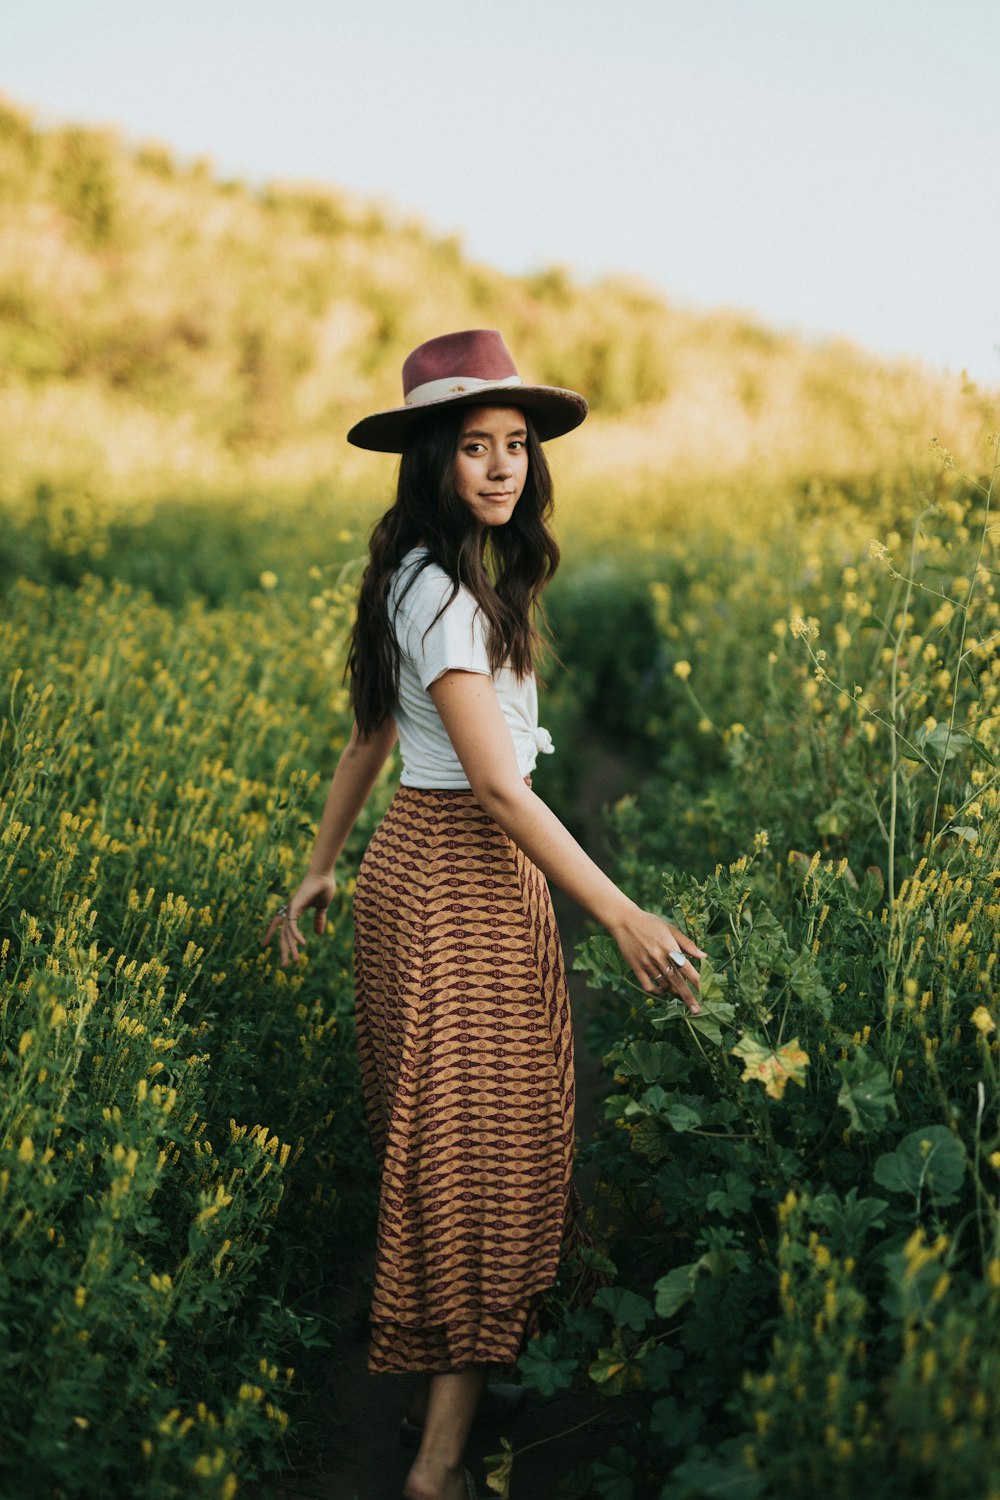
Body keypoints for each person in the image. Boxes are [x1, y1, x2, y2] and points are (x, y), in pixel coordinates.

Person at [262, 330, 705, 1500]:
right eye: (475, 447)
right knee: (483, 1157)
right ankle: (438, 1465)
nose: (502, 468)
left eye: (515, 447)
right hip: (460, 877)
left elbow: (371, 734)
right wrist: (615, 909)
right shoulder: (449, 598)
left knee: (444, 1145)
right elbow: (502, 788)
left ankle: (437, 1380)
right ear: (430, 458)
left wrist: (322, 862)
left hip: (419, 862)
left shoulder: (417, 572)